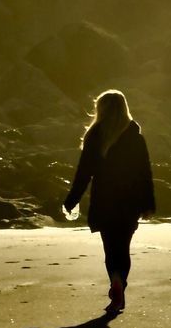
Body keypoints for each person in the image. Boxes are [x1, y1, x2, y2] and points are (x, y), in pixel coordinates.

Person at [63, 90, 156, 314]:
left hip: (104, 201)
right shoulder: (135, 136)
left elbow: (84, 172)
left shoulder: (95, 136)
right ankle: (119, 284)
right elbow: (145, 172)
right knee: (123, 247)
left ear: (101, 109)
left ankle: (114, 280)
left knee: (110, 249)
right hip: (130, 202)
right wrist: (148, 204)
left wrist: (72, 199)